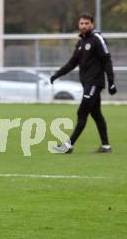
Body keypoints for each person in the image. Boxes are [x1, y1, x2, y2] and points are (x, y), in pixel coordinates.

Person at [50, 13, 116, 154]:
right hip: (86, 83)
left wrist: (111, 82)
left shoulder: (97, 39)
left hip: (94, 83)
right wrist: (57, 74)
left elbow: (107, 60)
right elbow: (72, 63)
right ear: (78, 25)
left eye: (87, 23)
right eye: (82, 23)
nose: (84, 26)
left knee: (82, 112)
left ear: (92, 24)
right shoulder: (81, 43)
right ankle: (106, 146)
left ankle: (68, 146)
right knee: (96, 114)